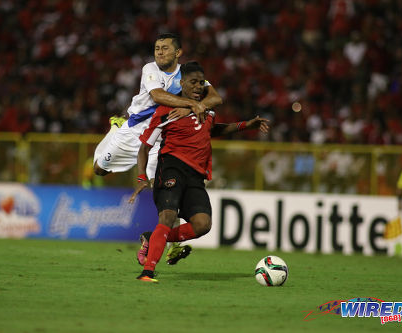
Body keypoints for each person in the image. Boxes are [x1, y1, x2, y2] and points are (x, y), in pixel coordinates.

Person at [129, 61, 269, 282]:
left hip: (196, 176)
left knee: (203, 225)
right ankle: (147, 272)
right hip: (171, 167)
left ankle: (152, 238)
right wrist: (141, 176)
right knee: (168, 216)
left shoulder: (207, 110)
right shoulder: (167, 110)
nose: (197, 87)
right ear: (181, 83)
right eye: (192, 82)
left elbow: (214, 129)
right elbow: (145, 146)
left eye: (201, 83)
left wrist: (245, 125)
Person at [91, 33, 223, 265]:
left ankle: (170, 246)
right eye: (157, 48)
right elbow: (157, 95)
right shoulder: (150, 68)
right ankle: (115, 127)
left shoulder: (188, 74)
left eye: (164, 48)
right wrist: (191, 104)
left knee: (166, 192)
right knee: (99, 169)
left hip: (157, 137)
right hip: (132, 132)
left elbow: (215, 97)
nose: (160, 52)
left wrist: (198, 104)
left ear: (178, 53)